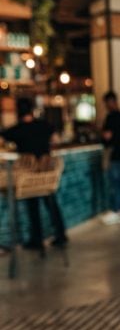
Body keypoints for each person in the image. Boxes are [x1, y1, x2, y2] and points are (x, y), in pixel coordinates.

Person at [0, 98, 68, 253]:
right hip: (46, 175)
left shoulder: (17, 129)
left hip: (29, 177)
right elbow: (56, 137)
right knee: (51, 203)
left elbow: (3, 137)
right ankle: (61, 235)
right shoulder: (44, 125)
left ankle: (36, 239)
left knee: (33, 205)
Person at [101, 91, 120, 225]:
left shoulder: (111, 117)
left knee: (116, 184)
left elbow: (106, 137)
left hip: (113, 154)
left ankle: (117, 210)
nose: (106, 106)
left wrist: (106, 136)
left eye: (107, 103)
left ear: (112, 102)